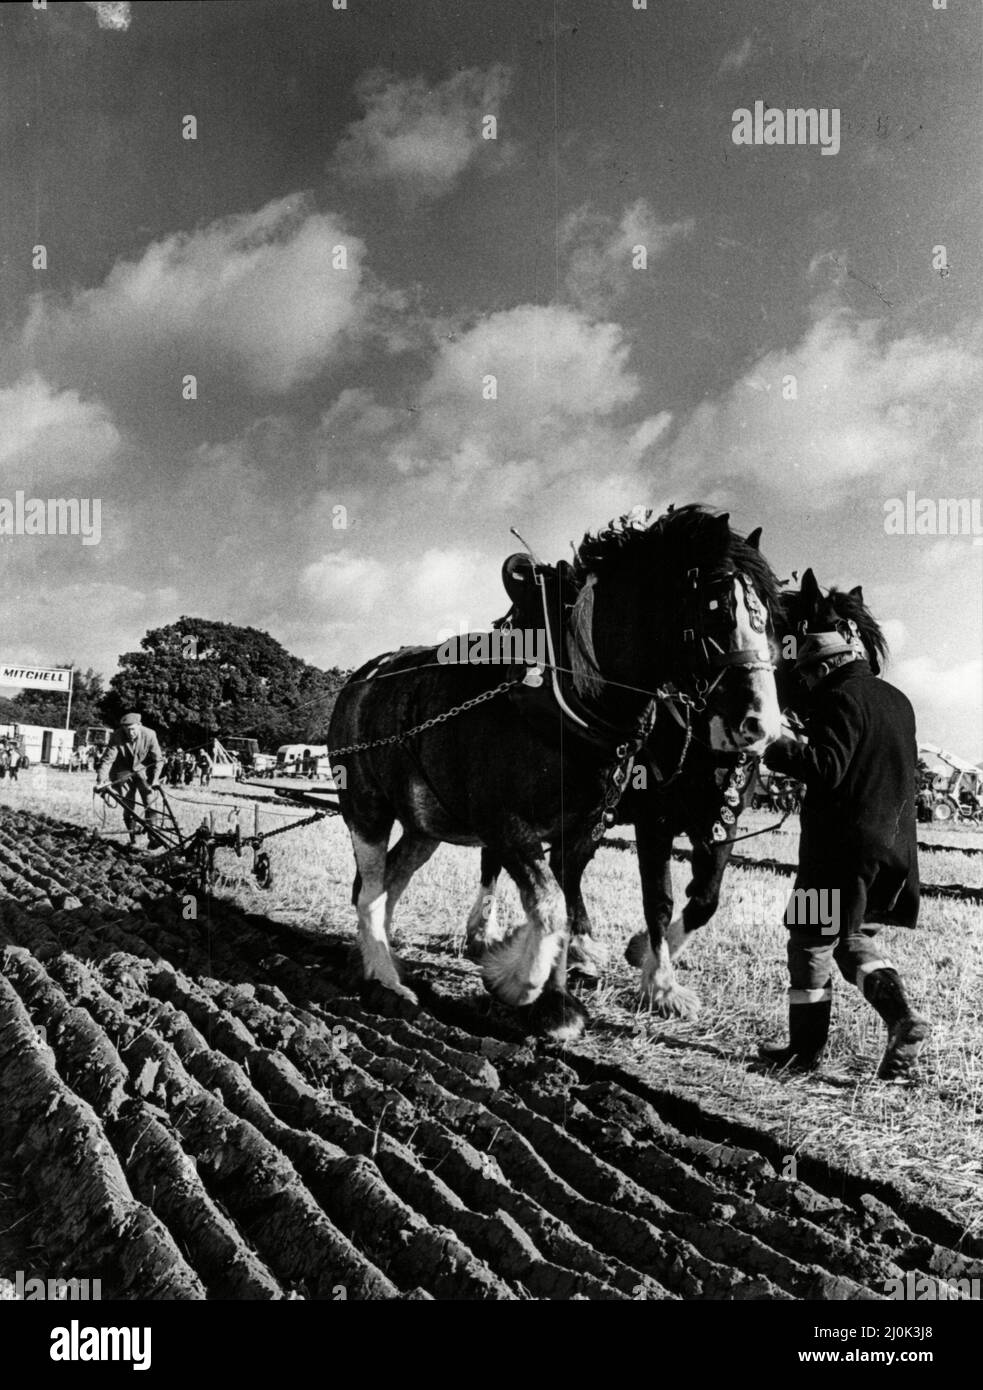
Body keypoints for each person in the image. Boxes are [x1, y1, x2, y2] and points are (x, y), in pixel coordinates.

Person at [758, 631, 929, 1083]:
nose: (808, 685)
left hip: (835, 857)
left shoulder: (837, 698)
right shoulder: (898, 699)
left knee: (809, 942)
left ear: (823, 668)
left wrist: (773, 745)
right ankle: (901, 1018)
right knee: (854, 940)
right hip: (893, 852)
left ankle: (803, 1052)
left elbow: (827, 767)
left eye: (808, 676)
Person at [95, 713, 165, 851]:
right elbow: (107, 760)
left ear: (140, 725)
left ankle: (153, 837)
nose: (130, 733)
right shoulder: (116, 736)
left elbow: (158, 760)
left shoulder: (150, 734)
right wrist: (101, 781)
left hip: (143, 771)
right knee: (128, 806)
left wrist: (155, 780)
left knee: (150, 802)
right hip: (123, 771)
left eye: (133, 729)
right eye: (127, 730)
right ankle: (134, 840)